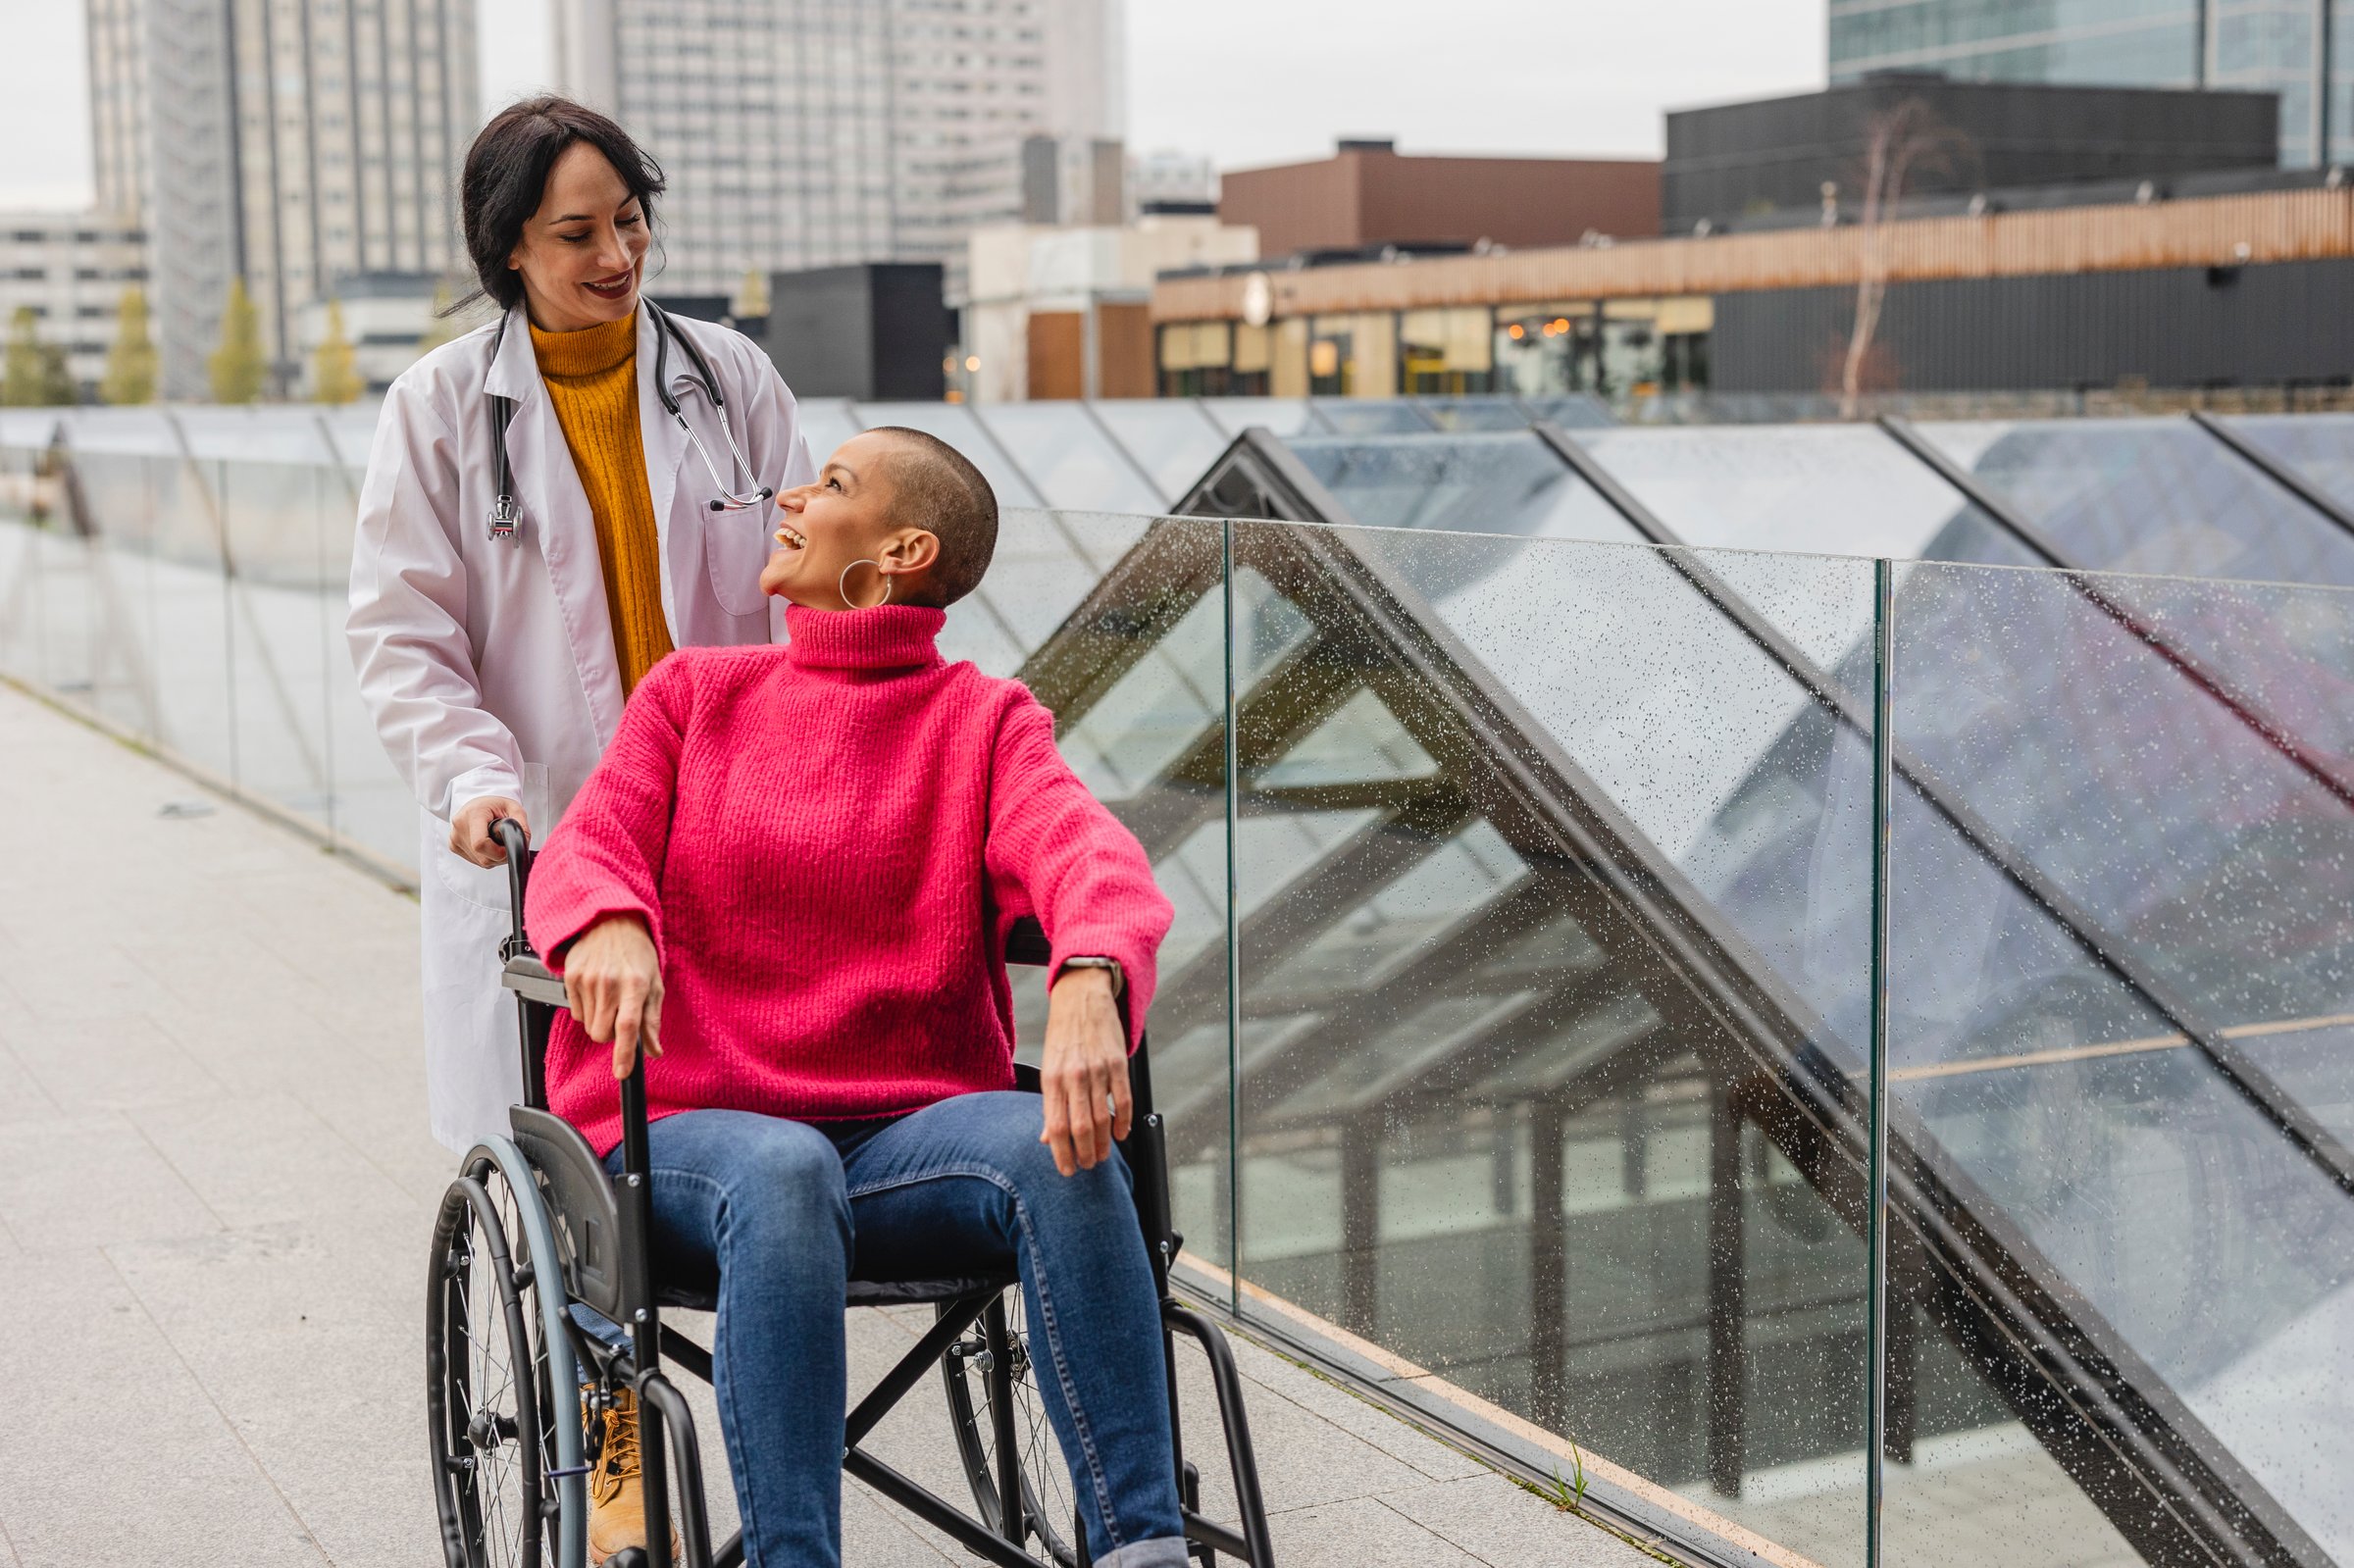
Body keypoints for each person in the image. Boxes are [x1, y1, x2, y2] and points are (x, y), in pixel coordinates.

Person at [523, 428, 1188, 1568]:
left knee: (1066, 1143)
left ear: (899, 553)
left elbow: (1091, 859)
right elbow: (586, 848)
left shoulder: (985, 721)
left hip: (900, 1142)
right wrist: (611, 918)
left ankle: (1142, 1550)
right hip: (687, 1131)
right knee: (785, 1171)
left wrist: (1091, 970)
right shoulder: (694, 695)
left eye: (832, 485)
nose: (791, 493)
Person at [347, 96, 815, 1155]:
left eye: (631, 219)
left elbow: (810, 581)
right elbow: (402, 633)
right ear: (507, 246)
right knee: (571, 1140)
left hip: (729, 824)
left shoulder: (729, 380)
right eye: (576, 234)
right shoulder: (440, 408)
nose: (617, 254)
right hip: (550, 830)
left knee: (745, 1130)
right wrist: (471, 779)